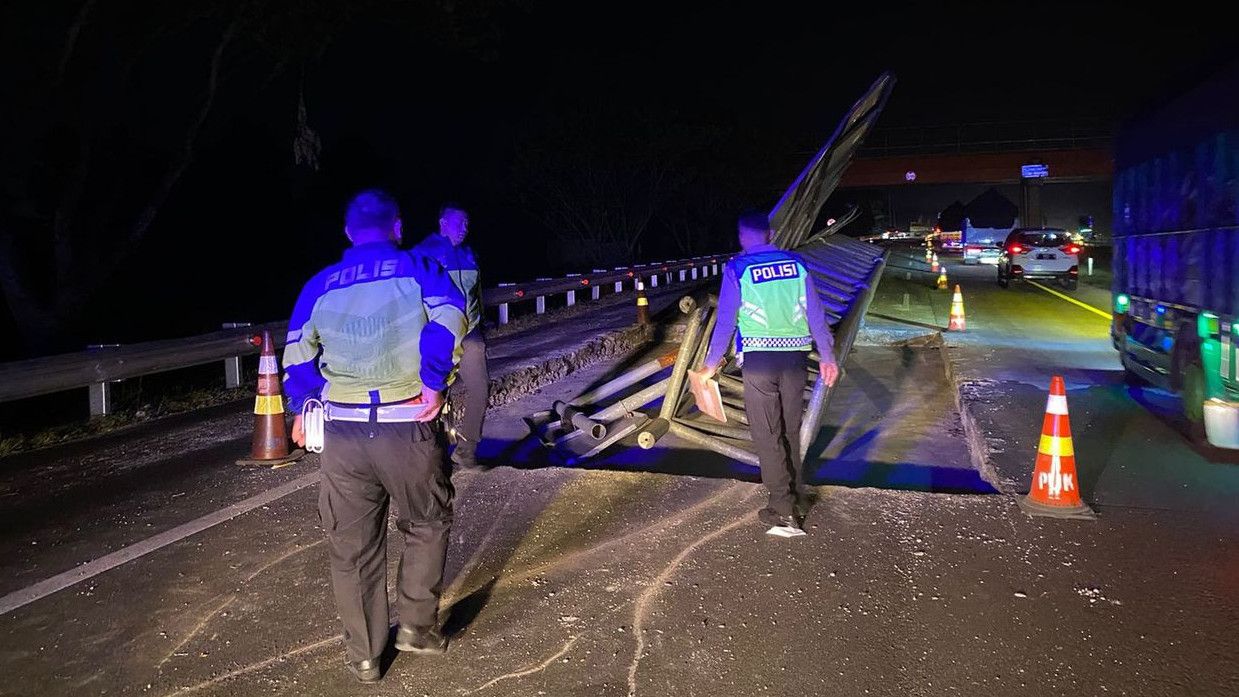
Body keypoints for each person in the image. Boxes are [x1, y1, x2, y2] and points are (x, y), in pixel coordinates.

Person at [282, 189, 467, 683]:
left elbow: (297, 353)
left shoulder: (319, 285)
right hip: (406, 425)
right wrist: (432, 382)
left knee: (352, 546)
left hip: (343, 437)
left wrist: (304, 406)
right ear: (398, 227)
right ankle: (416, 628)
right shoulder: (421, 270)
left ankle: (365, 655)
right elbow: (450, 320)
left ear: (347, 233)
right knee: (426, 523)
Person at [700, 211, 839, 532]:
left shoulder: (737, 268)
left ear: (742, 238)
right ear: (770, 234)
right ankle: (797, 495)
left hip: (760, 361)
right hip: (796, 359)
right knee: (790, 430)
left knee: (767, 434)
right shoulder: (796, 265)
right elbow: (816, 314)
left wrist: (710, 364)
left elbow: (726, 322)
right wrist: (828, 356)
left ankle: (783, 508)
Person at [412, 204, 488, 469]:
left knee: (480, 389)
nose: (464, 228)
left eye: (467, 223)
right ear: (443, 223)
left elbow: (477, 294)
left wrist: (481, 326)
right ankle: (434, 455)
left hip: (470, 334)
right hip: (440, 337)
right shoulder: (424, 252)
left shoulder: (469, 254)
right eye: (459, 223)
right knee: (437, 394)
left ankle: (466, 450)